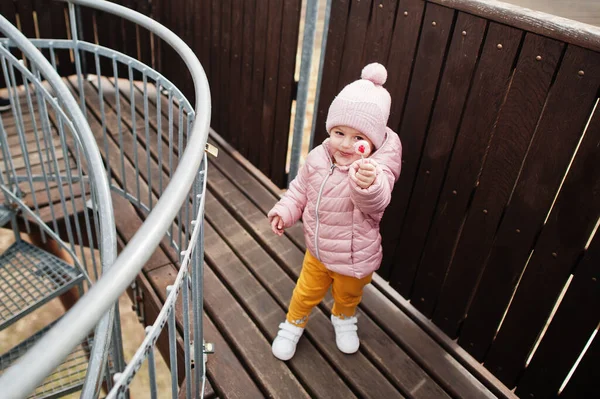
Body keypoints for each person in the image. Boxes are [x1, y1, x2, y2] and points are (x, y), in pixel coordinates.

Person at [268, 62, 402, 361]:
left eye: (358, 138)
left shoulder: (375, 170)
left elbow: (377, 202)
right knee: (305, 293)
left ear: (373, 142)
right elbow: (300, 188)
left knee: (348, 295)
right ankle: (293, 324)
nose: (345, 144)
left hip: (355, 257)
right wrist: (285, 210)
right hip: (317, 250)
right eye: (339, 132)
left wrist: (366, 185)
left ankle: (343, 318)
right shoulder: (319, 156)